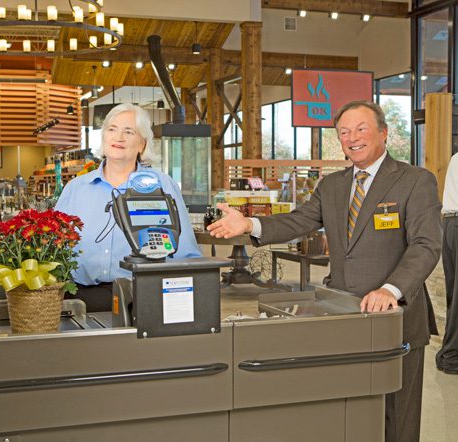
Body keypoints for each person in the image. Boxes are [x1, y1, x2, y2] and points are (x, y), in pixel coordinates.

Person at [207, 100, 441, 442]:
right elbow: (298, 221)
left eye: (361, 129)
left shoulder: (415, 181)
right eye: (344, 132)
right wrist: (249, 222)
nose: (352, 138)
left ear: (383, 133)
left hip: (397, 318)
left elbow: (425, 245)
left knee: (397, 418)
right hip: (343, 315)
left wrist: (391, 289)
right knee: (349, 412)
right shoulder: (332, 186)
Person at [55, 103, 201, 311]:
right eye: (112, 129)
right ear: (104, 137)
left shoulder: (161, 185)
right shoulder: (76, 188)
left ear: (142, 144)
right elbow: (53, 249)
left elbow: (186, 253)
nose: (118, 137)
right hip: (79, 299)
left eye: (129, 131)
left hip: (143, 299)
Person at [437, 152, 458, 374]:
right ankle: (452, 357)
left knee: (454, 293)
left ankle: (449, 355)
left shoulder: (455, 158)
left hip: (451, 225)